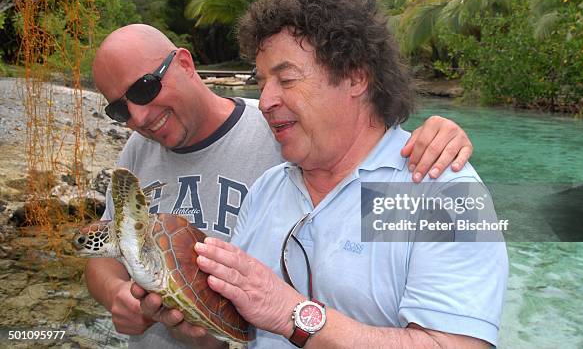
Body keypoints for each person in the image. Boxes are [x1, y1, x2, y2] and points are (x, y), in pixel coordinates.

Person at [87, 20, 474, 348]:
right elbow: (239, 318)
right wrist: (165, 313)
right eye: (119, 109)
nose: (137, 116)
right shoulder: (272, 186)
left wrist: (437, 141)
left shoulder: (287, 141)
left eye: (286, 78)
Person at [193, 0, 508, 348]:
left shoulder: (438, 191)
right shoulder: (267, 188)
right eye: (262, 82)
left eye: (287, 79)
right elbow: (236, 329)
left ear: (356, 77)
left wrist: (292, 314)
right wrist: (187, 315)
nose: (264, 101)